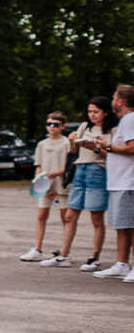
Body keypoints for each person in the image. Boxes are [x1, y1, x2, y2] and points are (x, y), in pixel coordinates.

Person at [43, 97, 114, 268]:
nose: (92, 115)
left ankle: (94, 257)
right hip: (80, 169)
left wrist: (97, 148)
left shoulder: (113, 130)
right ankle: (64, 255)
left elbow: (113, 154)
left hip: (98, 171)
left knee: (96, 217)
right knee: (70, 215)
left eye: (96, 112)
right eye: (89, 111)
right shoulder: (84, 126)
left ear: (105, 112)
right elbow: (74, 151)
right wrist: (72, 141)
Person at [96, 84, 134, 281]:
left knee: (131, 226)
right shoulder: (125, 120)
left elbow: (132, 148)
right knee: (122, 225)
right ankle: (121, 264)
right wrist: (103, 148)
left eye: (113, 98)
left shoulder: (130, 119)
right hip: (119, 181)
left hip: (128, 182)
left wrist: (109, 146)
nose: (112, 102)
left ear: (120, 101)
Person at [21, 112, 70, 261]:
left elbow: (69, 167)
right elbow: (38, 166)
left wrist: (54, 175)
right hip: (45, 186)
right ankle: (37, 249)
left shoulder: (67, 143)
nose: (52, 127)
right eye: (49, 124)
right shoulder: (42, 144)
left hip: (62, 185)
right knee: (42, 215)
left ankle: (65, 251)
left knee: (65, 218)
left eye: (55, 124)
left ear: (63, 126)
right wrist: (40, 183)